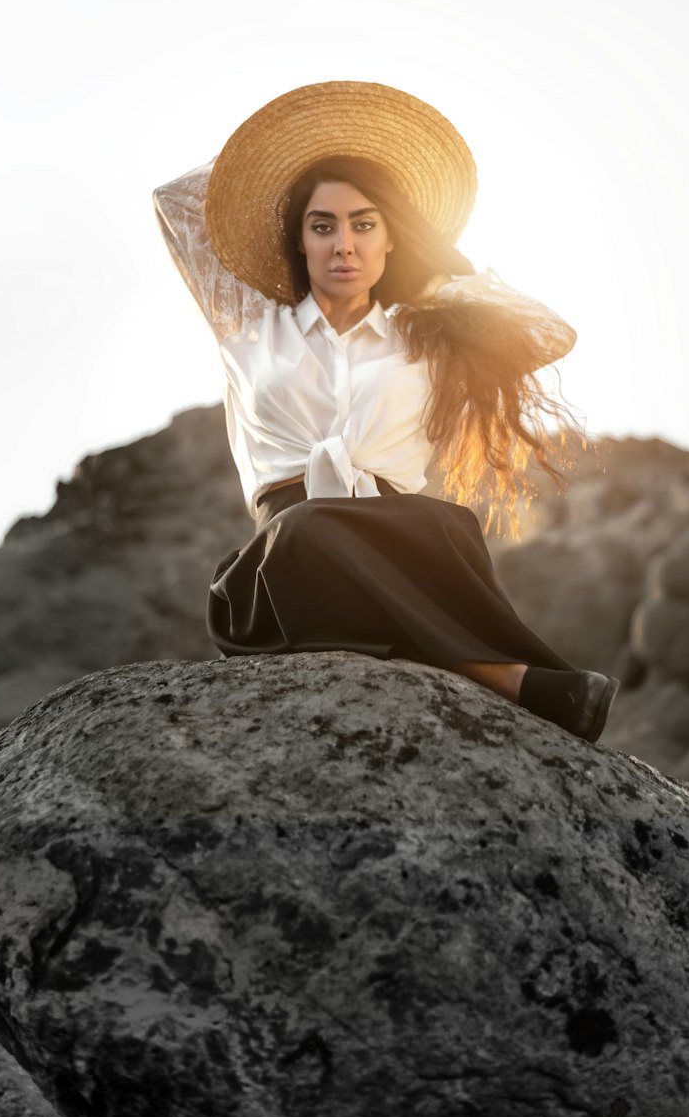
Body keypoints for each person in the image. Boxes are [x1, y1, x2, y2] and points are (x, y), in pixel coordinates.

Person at [153, 80, 619, 741]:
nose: (344, 244)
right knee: (307, 533)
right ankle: (511, 680)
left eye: (364, 224)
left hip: (408, 541)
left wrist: (440, 266)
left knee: (445, 523)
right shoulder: (249, 327)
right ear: (299, 241)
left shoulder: (426, 334)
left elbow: (550, 332)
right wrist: (278, 158)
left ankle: (434, 645)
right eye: (323, 226)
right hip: (289, 565)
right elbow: (175, 203)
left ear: (391, 236)